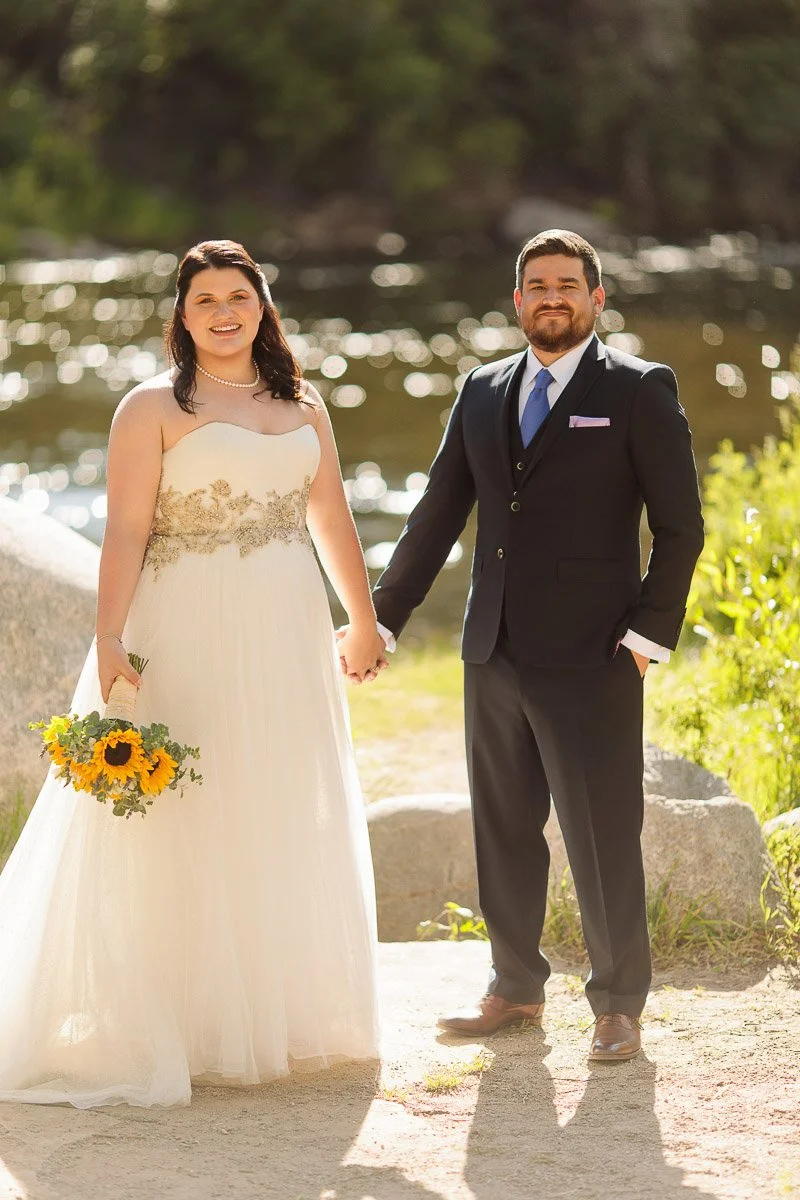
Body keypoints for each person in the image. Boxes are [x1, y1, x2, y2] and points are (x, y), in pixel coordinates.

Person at [0, 239, 386, 1107]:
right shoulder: (152, 408)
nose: (222, 311)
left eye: (237, 296)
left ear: (262, 307)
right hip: (184, 622)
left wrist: (361, 619)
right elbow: (128, 531)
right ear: (182, 315)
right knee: (184, 804)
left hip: (285, 627)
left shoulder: (303, 404)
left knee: (273, 795)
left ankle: (267, 1014)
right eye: (204, 299)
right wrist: (108, 639)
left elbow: (331, 519)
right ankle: (174, 1013)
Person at [350, 229, 704, 1061]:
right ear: (517, 301)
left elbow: (680, 528)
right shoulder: (480, 390)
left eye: (568, 285)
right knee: (504, 828)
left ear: (596, 298)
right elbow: (437, 515)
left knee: (600, 831)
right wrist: (383, 619)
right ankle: (514, 987)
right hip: (493, 650)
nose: (553, 297)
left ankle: (618, 1003)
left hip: (595, 654)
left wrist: (649, 635)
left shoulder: (640, 388)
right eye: (537, 285)